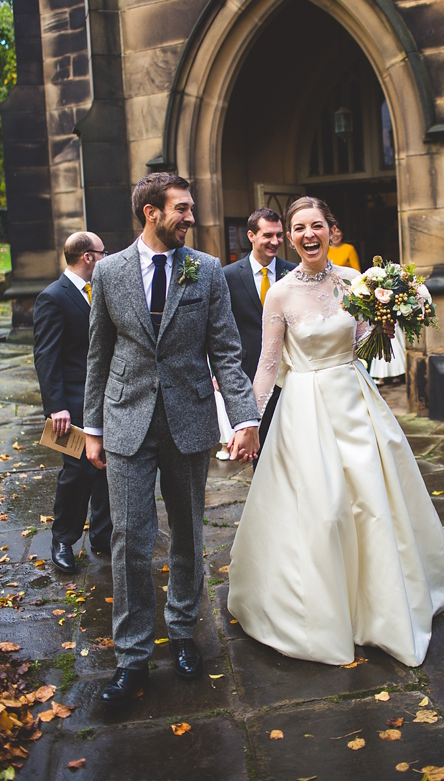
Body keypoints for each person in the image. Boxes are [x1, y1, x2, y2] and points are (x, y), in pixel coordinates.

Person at [228, 196, 444, 667]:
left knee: (373, 502)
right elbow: (268, 365)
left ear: (331, 231)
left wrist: (387, 319)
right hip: (304, 409)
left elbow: (363, 347)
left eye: (316, 225)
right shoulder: (279, 294)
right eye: (298, 228)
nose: (307, 234)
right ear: (290, 237)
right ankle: (319, 609)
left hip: (355, 400)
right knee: (326, 507)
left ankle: (382, 607)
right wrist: (248, 421)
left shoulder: (356, 282)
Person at [83, 172, 260, 706]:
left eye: (190, 208)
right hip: (125, 422)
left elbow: (226, 351)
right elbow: (99, 353)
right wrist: (92, 428)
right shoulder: (110, 272)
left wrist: (245, 417)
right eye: (181, 208)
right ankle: (132, 656)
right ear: (151, 213)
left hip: (189, 422)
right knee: (129, 541)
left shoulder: (204, 270)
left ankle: (183, 632)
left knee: (187, 535)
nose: (191, 216)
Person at [33, 232, 112, 574]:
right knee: (76, 472)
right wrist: (56, 407)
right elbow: (46, 356)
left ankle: (103, 536)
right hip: (71, 406)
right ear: (88, 257)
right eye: (102, 252)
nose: (105, 257)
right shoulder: (53, 297)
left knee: (107, 468)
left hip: (108, 398)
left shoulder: (101, 293)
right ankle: (63, 540)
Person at [223, 208, 295, 454]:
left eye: (278, 235)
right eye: (268, 235)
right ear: (251, 236)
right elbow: (220, 329)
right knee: (259, 445)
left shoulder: (294, 272)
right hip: (249, 373)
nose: (275, 242)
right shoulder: (228, 276)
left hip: (290, 373)